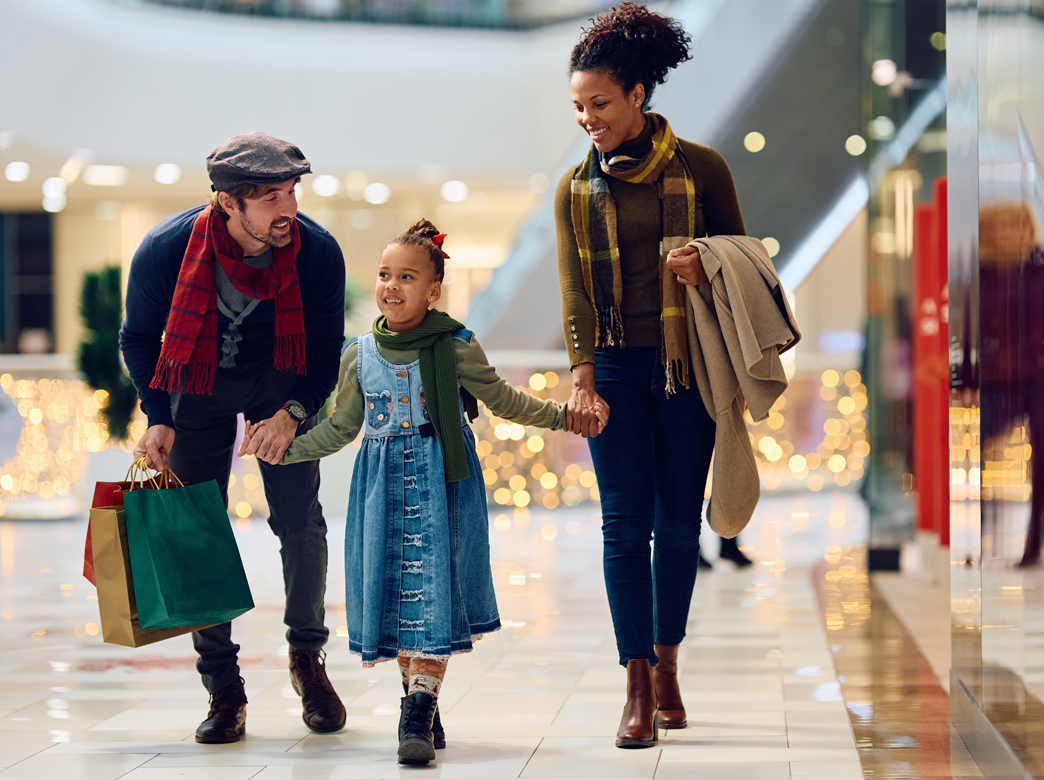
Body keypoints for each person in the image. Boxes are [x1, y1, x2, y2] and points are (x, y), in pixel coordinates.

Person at [246, 219, 605, 765]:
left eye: (407, 277)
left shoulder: (456, 346)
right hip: (380, 489)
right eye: (385, 274)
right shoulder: (358, 354)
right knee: (396, 597)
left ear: (433, 289)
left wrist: (564, 417)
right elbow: (340, 428)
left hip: (443, 486)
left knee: (431, 593)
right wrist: (282, 448)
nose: (392, 286)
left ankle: (416, 708)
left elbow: (506, 401)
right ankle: (421, 701)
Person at [555, 2, 745, 749]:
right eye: (577, 107)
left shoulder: (703, 168)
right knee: (622, 525)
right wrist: (580, 376)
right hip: (611, 367)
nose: (588, 119)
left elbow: (751, 262)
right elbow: (572, 288)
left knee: (676, 522)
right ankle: (636, 680)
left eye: (599, 103)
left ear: (638, 93)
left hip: (687, 366)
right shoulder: (575, 187)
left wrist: (710, 263)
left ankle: (668, 661)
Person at [119, 132, 347, 743]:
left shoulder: (316, 253)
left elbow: (327, 352)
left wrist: (294, 413)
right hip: (196, 386)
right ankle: (223, 685)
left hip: (281, 382)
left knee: (301, 521)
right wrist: (156, 414)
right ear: (226, 202)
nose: (288, 209)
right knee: (195, 527)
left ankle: (308, 661)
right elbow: (137, 339)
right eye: (270, 197)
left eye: (292, 191)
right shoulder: (165, 251)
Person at [978, 203, 1044, 567]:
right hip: (998, 379)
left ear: (1027, 231)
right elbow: (974, 329)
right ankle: (984, 524)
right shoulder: (982, 274)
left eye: (1015, 227)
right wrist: (969, 377)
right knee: (980, 442)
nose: (1007, 235)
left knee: (1043, 459)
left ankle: (1035, 542)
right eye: (999, 228)